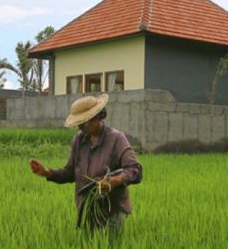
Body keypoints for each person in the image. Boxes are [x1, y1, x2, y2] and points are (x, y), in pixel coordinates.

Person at [29, 94, 143, 232]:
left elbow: (135, 170)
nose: (80, 127)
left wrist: (115, 180)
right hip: (86, 210)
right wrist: (47, 172)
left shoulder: (116, 139)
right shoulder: (79, 140)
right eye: (79, 123)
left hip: (112, 210)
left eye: (84, 122)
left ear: (97, 117)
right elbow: (69, 173)